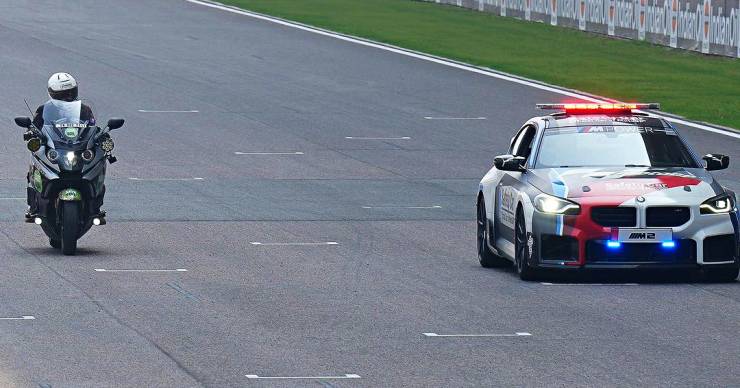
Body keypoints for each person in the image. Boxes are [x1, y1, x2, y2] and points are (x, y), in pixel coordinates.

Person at [26, 72, 100, 221]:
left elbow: (92, 126)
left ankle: (95, 207)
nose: (67, 97)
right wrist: (31, 132)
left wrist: (99, 135)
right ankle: (34, 206)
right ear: (52, 94)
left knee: (99, 157)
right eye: (62, 95)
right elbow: (34, 127)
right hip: (55, 149)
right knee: (36, 157)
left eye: (70, 93)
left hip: (77, 148)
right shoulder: (43, 110)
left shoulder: (85, 110)